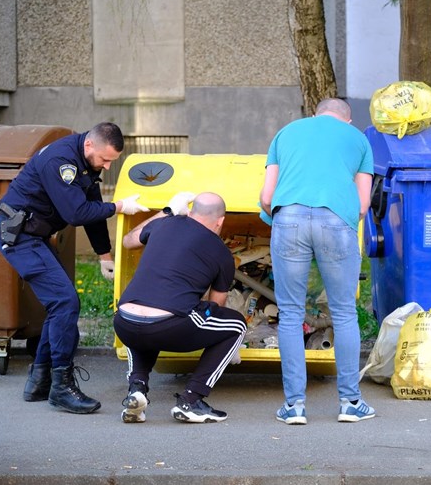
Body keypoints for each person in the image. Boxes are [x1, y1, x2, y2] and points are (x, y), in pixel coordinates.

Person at [0, 122, 149, 414]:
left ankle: (39, 381)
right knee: (65, 302)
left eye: (112, 161)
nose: (107, 165)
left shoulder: (86, 161)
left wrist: (104, 254)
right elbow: (76, 213)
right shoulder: (61, 162)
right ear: (90, 145)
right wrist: (120, 207)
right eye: (105, 159)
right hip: (17, 235)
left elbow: (92, 206)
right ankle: (61, 387)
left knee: (59, 303)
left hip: (32, 234)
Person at [259, 98, 376, 424]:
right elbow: (363, 204)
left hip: (289, 220)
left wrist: (283, 220)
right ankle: (350, 403)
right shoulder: (359, 140)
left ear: (314, 115)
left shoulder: (285, 133)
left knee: (291, 314)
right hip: (337, 223)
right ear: (347, 121)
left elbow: (267, 197)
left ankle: (294, 406)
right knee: (343, 313)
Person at [114, 191, 247, 424]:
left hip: (124, 321)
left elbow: (128, 240)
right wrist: (227, 346)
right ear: (221, 221)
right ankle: (191, 401)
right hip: (170, 325)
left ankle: (137, 389)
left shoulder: (164, 224)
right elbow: (215, 305)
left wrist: (166, 211)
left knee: (144, 324)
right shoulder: (221, 252)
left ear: (191, 211)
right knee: (235, 324)